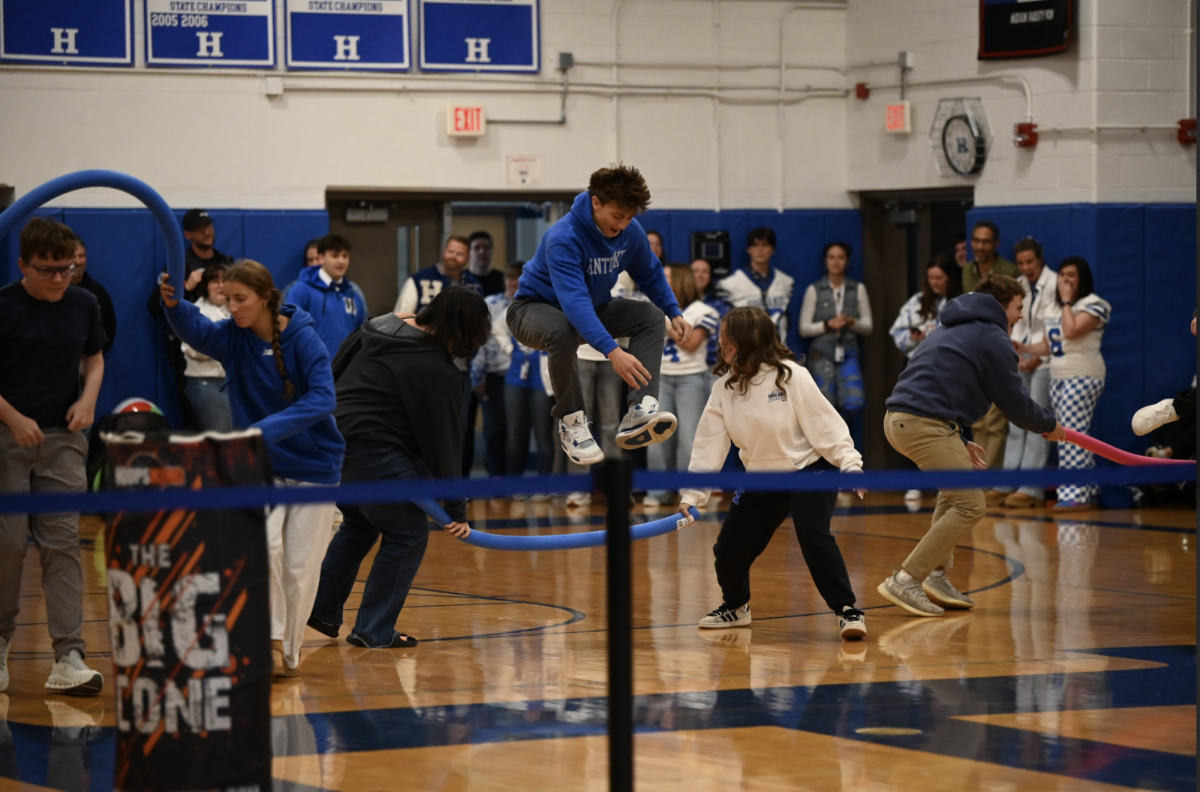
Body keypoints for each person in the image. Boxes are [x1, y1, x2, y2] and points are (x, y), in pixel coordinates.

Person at [159, 261, 344, 678]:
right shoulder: (232, 336)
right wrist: (174, 303)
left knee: (299, 568)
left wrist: (260, 430)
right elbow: (197, 329)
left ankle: (288, 652)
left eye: (241, 300)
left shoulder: (304, 340)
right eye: (227, 299)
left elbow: (323, 399)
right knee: (264, 549)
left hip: (315, 467)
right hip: (260, 466)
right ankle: (270, 641)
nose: (233, 308)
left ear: (265, 298)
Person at [309, 286, 489, 648]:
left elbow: (333, 374)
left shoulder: (374, 328)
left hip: (334, 444)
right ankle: (373, 629)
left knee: (360, 524)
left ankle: (321, 609)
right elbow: (444, 444)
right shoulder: (438, 369)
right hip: (376, 451)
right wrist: (455, 508)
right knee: (407, 535)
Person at [677, 306, 868, 641]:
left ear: (749, 338)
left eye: (728, 335)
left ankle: (847, 611)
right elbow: (708, 445)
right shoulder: (723, 389)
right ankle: (735, 607)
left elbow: (827, 425)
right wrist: (692, 496)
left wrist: (850, 464)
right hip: (761, 478)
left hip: (811, 469)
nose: (722, 341)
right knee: (728, 549)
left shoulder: (791, 375)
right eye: (721, 336)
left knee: (813, 534)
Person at [881, 274, 1065, 617]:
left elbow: (939, 382)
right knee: (970, 505)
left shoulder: (951, 327)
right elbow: (1014, 402)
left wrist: (960, 437)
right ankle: (906, 579)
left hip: (904, 418)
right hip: (923, 423)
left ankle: (935, 576)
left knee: (954, 496)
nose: (1021, 315)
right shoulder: (992, 336)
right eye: (1018, 307)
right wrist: (1049, 426)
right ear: (1002, 305)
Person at [506, 165, 690, 466]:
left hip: (591, 308)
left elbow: (651, 274)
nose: (623, 224)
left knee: (651, 316)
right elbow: (574, 303)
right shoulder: (564, 237)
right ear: (596, 202)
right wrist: (613, 351)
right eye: (617, 216)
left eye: (630, 218)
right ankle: (572, 421)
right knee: (561, 329)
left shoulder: (630, 231)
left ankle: (639, 410)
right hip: (531, 310)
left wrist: (674, 311)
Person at [0, 218, 106, 697]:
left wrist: (87, 401)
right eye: (48, 270)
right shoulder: (3, 305)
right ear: (24, 265)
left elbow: (94, 357)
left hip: (64, 441)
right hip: (9, 439)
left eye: (67, 269)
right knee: (9, 546)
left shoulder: (84, 304)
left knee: (63, 545)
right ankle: (0, 643)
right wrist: (15, 418)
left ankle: (69, 656)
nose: (60, 278)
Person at [1016, 257, 1111, 509]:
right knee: (1071, 435)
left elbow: (1072, 331)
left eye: (1071, 275)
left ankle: (1075, 495)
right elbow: (1049, 345)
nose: (1065, 280)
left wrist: (1067, 301)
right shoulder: (1054, 309)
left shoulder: (1095, 304)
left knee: (1072, 436)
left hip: (1082, 375)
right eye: (1062, 275)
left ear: (1082, 280)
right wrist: (1023, 347)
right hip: (1057, 377)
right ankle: (1088, 490)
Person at [396, 236, 483, 474]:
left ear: (467, 258)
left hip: (460, 369)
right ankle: (421, 482)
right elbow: (400, 320)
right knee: (423, 427)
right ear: (443, 250)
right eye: (450, 251)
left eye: (459, 253)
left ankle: (456, 485)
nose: (453, 256)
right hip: (421, 369)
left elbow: (479, 328)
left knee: (459, 428)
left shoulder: (474, 286)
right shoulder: (419, 280)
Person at [988, 238, 1056, 508]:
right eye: (1021, 263)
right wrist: (1015, 356)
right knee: (1015, 423)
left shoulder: (1053, 284)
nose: (1026, 267)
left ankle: (1031, 488)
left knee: (1037, 424)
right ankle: (1006, 483)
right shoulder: (1020, 285)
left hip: (1045, 363)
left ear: (1040, 259)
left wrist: (1036, 359)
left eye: (1030, 261)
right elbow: (1015, 326)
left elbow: (1054, 330)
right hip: (1021, 360)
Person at [645, 265, 720, 507]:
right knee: (657, 438)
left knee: (689, 439)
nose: (661, 281)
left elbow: (689, 343)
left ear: (680, 281)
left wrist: (663, 321)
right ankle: (658, 493)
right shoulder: (654, 306)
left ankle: (689, 494)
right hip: (660, 377)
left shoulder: (704, 311)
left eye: (666, 277)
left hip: (692, 379)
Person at [962, 221, 1020, 468]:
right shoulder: (967, 271)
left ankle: (990, 479)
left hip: (997, 345)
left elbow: (1014, 312)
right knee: (978, 418)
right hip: (973, 348)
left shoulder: (1009, 270)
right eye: (975, 240)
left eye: (986, 241)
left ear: (996, 243)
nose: (980, 246)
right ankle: (978, 475)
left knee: (995, 419)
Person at [798, 242, 872, 415]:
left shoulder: (857, 288)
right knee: (824, 404)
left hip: (848, 350)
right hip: (822, 351)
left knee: (853, 402)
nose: (836, 262)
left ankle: (846, 440)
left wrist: (851, 322)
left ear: (847, 261)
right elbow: (804, 328)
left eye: (840, 257)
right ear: (825, 261)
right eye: (831, 257)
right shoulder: (814, 289)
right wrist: (827, 325)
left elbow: (868, 327)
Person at [470, 261, 523, 476]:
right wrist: (477, 378)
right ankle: (496, 478)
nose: (514, 282)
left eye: (519, 277)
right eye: (510, 277)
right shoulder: (490, 304)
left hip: (524, 377)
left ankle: (515, 480)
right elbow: (480, 343)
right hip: (494, 376)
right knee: (495, 429)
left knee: (517, 431)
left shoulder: (535, 305)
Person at [285, 234, 367, 357]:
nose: (341, 261)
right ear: (321, 258)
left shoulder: (353, 294)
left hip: (347, 370)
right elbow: (290, 332)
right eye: (335, 256)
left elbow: (362, 333)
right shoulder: (300, 290)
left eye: (345, 256)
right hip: (312, 368)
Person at [180, 264, 233, 432]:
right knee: (220, 436)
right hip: (206, 381)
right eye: (214, 281)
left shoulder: (235, 310)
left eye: (224, 281)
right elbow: (193, 348)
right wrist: (226, 344)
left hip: (232, 382)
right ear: (206, 286)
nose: (220, 286)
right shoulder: (196, 311)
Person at [717, 227, 794, 340]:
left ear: (773, 250)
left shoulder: (786, 281)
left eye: (765, 245)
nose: (760, 250)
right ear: (748, 249)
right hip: (747, 349)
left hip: (778, 349)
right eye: (755, 245)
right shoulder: (731, 283)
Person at [889, 256, 961, 360]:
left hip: (947, 363)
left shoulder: (960, 303)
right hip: (916, 361)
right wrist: (912, 337)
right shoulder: (917, 301)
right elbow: (896, 332)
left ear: (950, 278)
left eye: (939, 278)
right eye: (930, 278)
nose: (933, 282)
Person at [282, 238, 367, 308]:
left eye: (344, 256)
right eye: (311, 260)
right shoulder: (298, 289)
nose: (315, 263)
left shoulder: (353, 291)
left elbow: (363, 324)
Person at [70, 238, 116, 354]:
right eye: (72, 256)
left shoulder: (98, 293)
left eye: (81, 256)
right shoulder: (54, 291)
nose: (78, 261)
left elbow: (109, 328)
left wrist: (93, 358)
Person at [180, 209, 236, 302]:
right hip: (195, 315)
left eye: (208, 226)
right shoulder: (180, 266)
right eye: (200, 229)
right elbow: (155, 306)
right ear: (188, 235)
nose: (207, 233)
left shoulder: (227, 262)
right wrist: (186, 289)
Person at [691, 258, 730, 384]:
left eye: (705, 272)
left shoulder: (721, 305)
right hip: (686, 366)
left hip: (714, 366)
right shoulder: (678, 304)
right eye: (695, 271)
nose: (700, 275)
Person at [467, 231, 505, 297]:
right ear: (468, 252)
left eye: (486, 248)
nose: (482, 251)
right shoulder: (461, 278)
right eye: (477, 248)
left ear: (492, 251)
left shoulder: (503, 280)